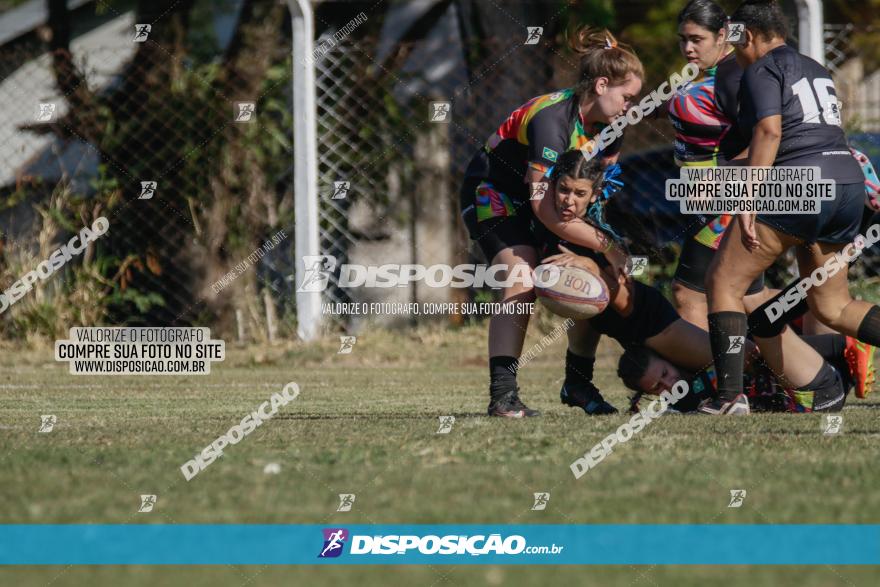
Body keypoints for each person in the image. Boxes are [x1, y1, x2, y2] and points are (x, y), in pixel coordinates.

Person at [702, 0, 880, 414]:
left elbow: (770, 130)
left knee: (723, 284)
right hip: (846, 184)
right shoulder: (815, 67)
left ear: (746, 35)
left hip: (800, 186)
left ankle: (729, 399)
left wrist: (746, 196)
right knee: (833, 308)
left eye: (732, 38)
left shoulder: (761, 69)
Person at [459, 27, 644, 417]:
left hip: (551, 202)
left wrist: (598, 254)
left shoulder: (613, 128)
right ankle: (503, 396)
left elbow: (596, 197)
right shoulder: (552, 120)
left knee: (592, 278)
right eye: (627, 97)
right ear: (601, 84)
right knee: (521, 275)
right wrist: (609, 247)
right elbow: (544, 210)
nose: (632, 106)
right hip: (494, 193)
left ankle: (577, 383)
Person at [536, 150, 725, 414]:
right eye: (563, 190)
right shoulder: (548, 221)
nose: (568, 201)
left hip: (650, 322)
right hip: (620, 326)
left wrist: (595, 267)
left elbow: (634, 278)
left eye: (579, 194)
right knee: (666, 383)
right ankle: (577, 382)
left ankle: (773, 387)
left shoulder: (605, 224)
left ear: (593, 194)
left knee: (738, 358)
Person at [667, 0, 763, 328]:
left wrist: (721, 182)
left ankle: (710, 378)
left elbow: (764, 139)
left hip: (727, 202)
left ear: (722, 36)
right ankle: (833, 344)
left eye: (697, 39)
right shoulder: (715, 73)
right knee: (748, 295)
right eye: (683, 39)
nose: (688, 48)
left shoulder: (732, 75)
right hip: (713, 199)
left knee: (688, 292)